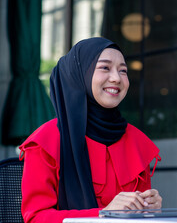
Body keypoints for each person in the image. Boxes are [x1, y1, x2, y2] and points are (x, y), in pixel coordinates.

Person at [19, 37, 162, 223]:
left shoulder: (136, 140)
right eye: (105, 67)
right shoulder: (47, 140)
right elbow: (36, 218)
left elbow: (138, 218)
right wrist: (103, 214)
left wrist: (150, 210)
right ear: (80, 75)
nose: (116, 78)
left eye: (123, 70)